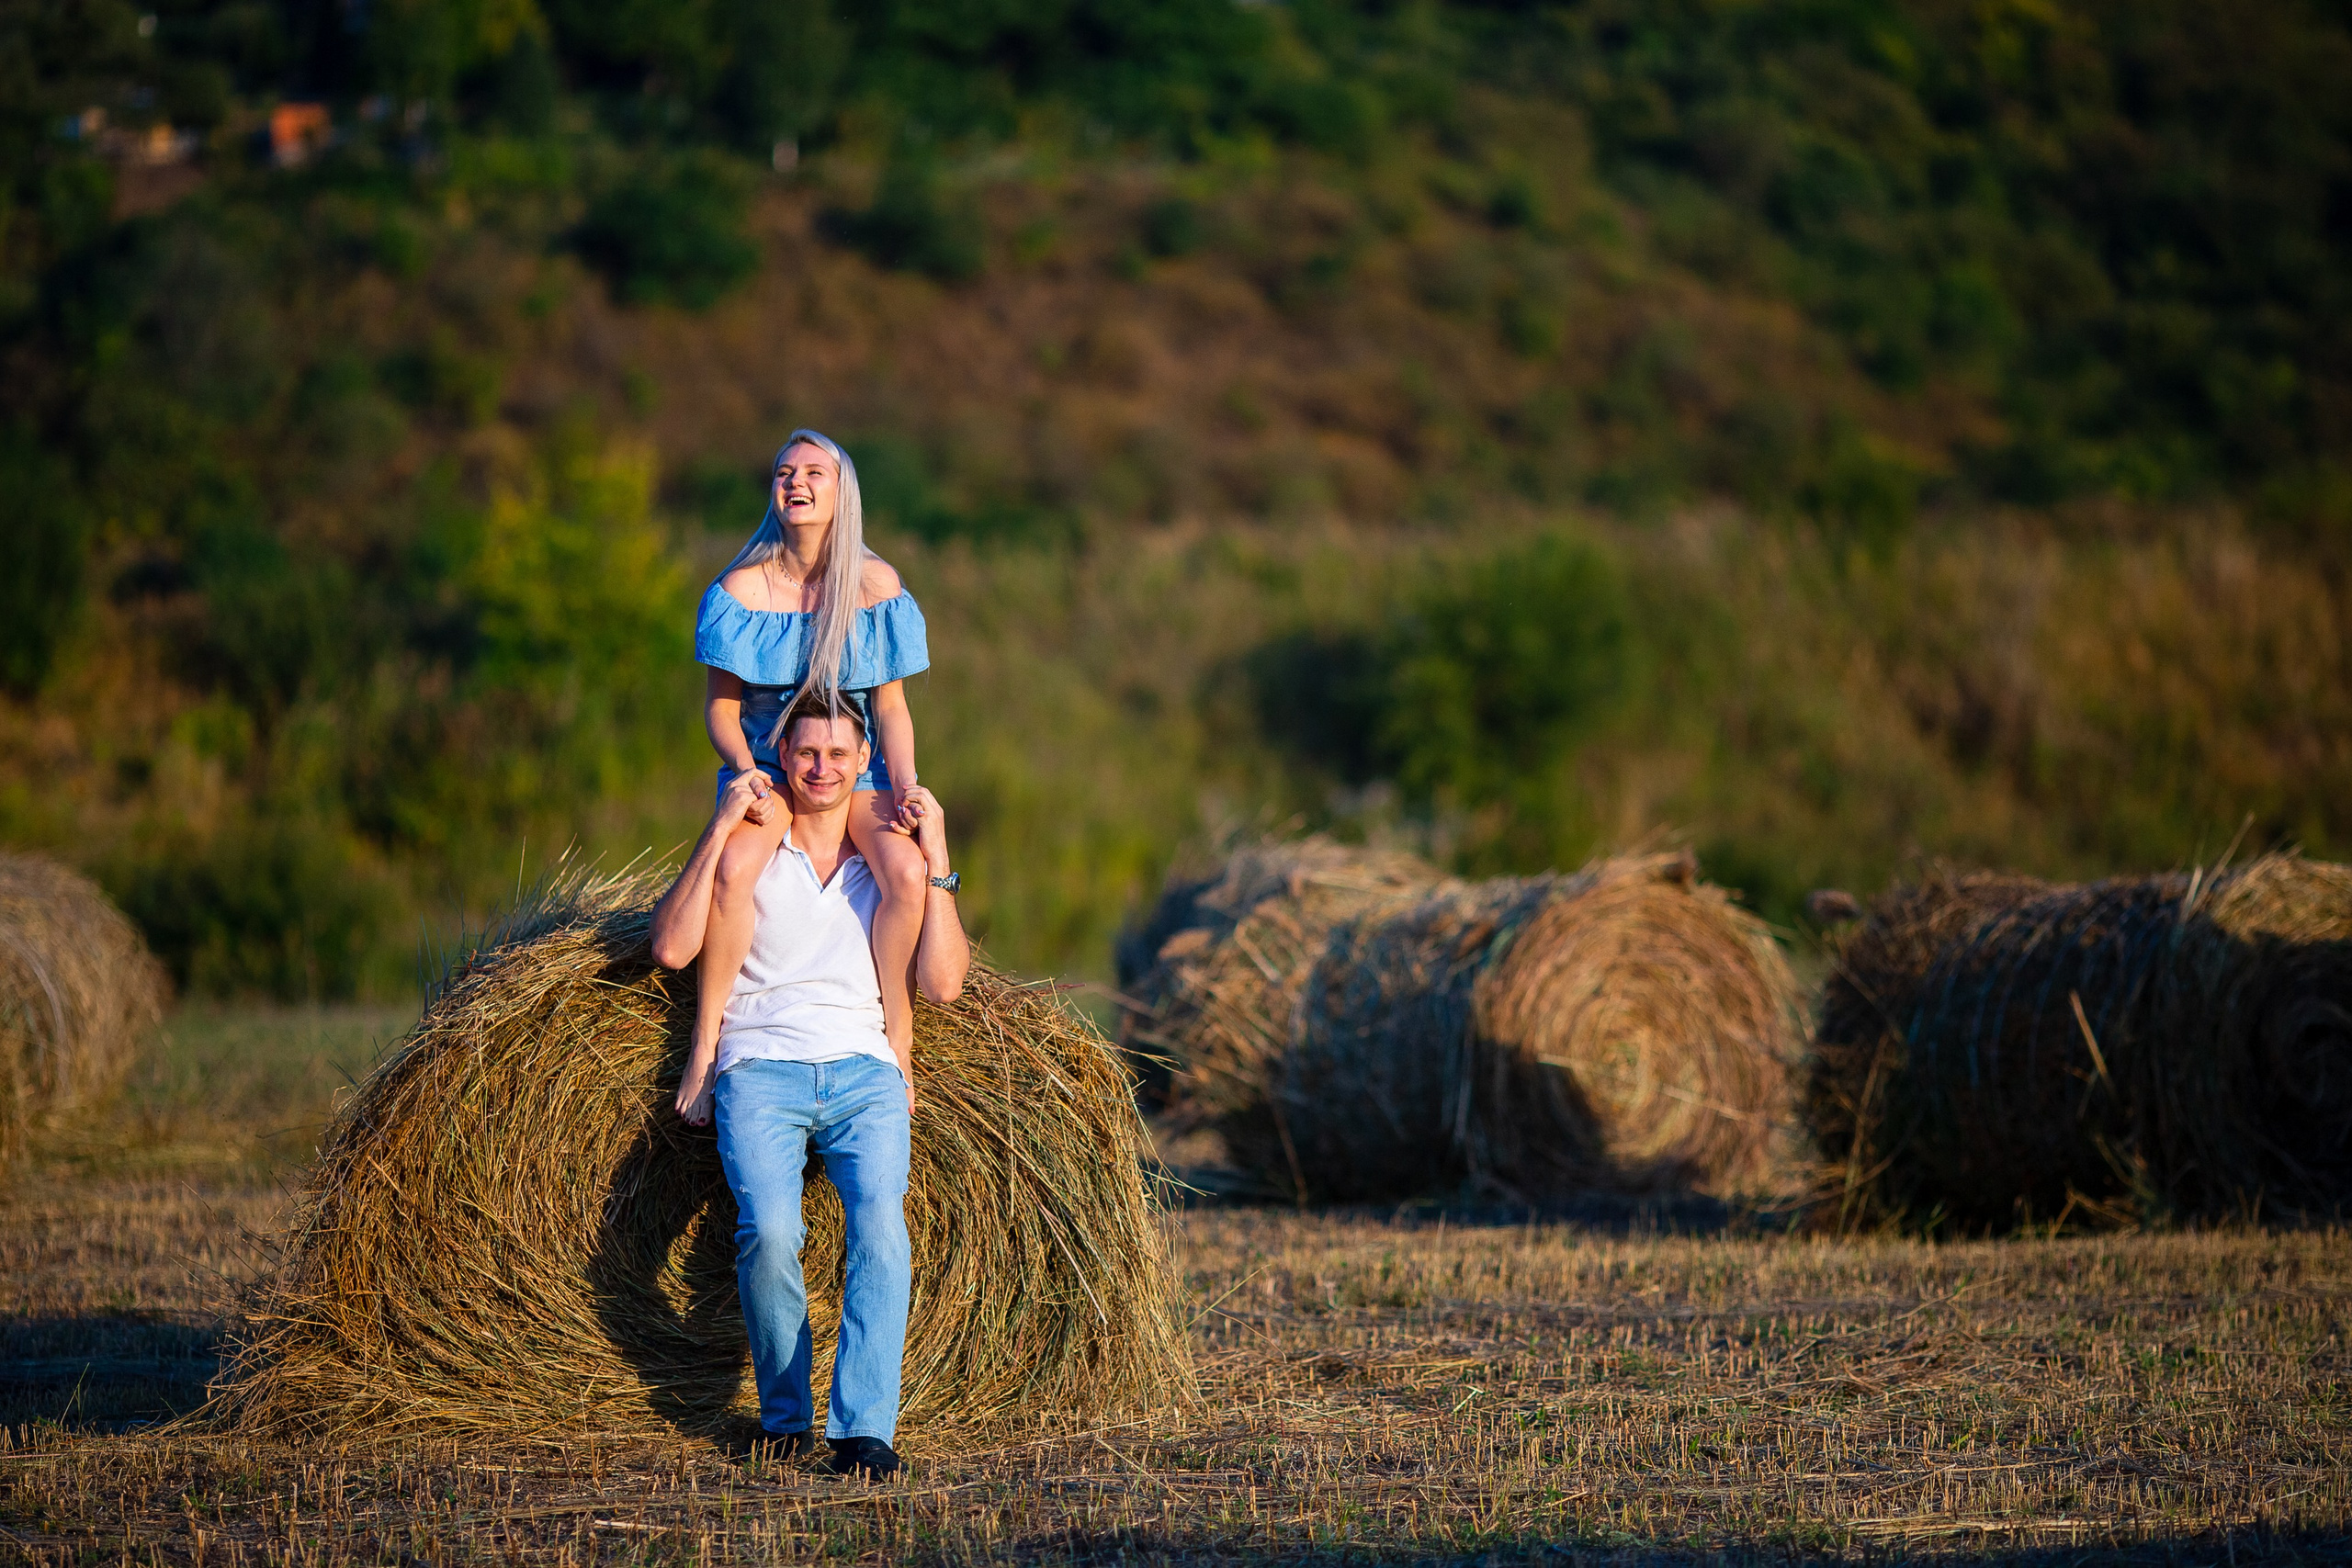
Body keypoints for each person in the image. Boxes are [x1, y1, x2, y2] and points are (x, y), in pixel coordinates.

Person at [649, 694, 970, 1479]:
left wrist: (939, 855)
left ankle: (863, 1430)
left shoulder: (887, 863)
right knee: (768, 1232)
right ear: (781, 754)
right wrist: (720, 826)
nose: (821, 770)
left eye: (837, 755)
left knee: (882, 1233)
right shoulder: (753, 848)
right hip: (760, 1065)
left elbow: (946, 984)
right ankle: (786, 1417)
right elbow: (668, 947)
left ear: (865, 762)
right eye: (806, 754)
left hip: (864, 1070)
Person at [685, 430, 934, 1127]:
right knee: (734, 870)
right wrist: (744, 772)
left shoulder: (875, 584)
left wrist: (907, 786)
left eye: (813, 472)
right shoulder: (741, 589)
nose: (795, 481)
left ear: (840, 490)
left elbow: (891, 709)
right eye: (784, 472)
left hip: (855, 771)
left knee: (908, 877)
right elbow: (721, 709)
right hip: (766, 766)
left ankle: (897, 1037)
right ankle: (707, 1044)